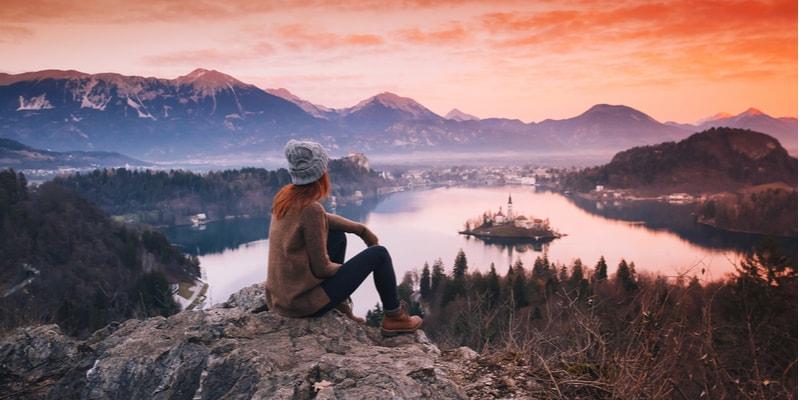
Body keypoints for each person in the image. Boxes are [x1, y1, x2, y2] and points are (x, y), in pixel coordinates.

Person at [264, 139, 422, 336]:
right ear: (320, 173)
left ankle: (337, 302)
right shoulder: (310, 209)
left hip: (280, 299)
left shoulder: (285, 197)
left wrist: (360, 229)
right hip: (301, 304)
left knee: (337, 235)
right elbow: (322, 268)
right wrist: (350, 272)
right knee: (379, 254)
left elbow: (322, 219)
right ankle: (394, 317)